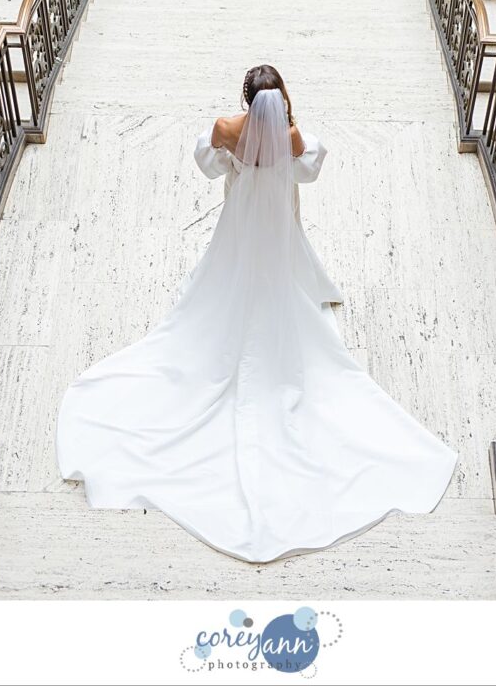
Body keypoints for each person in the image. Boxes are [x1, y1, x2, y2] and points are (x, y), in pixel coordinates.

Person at [56, 66, 458, 564]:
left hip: (239, 225)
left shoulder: (227, 129)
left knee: (224, 283)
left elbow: (208, 164)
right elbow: (308, 171)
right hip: (278, 228)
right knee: (283, 289)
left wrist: (234, 152)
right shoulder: (295, 138)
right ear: (281, 95)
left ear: (246, 97)